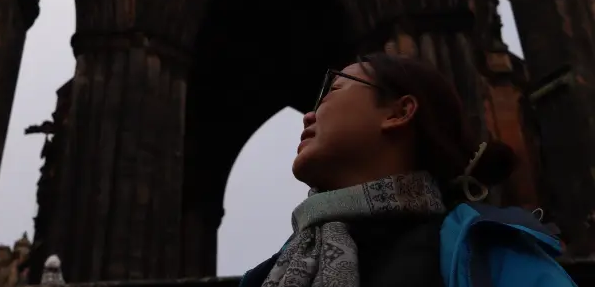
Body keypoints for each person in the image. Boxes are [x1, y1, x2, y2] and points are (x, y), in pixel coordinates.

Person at [240, 53, 575, 287]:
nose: (308, 115)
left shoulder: (490, 255)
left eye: (334, 90)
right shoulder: (264, 276)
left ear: (399, 112)